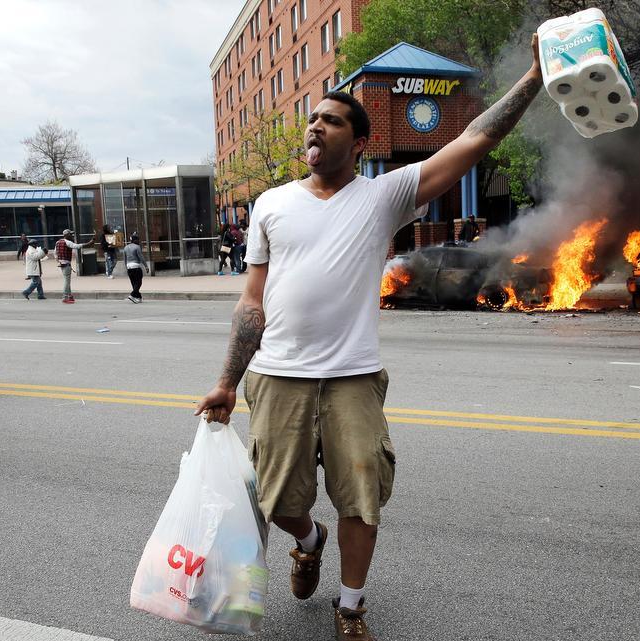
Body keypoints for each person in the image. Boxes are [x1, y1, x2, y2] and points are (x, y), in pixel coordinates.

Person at [194, 35, 543, 640]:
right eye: (312, 119)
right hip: (277, 374)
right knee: (278, 501)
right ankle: (309, 541)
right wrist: (227, 381)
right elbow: (252, 302)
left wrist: (534, 77)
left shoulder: (382, 197)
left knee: (362, 494)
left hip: (352, 375)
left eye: (330, 121)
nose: (315, 128)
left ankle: (350, 607)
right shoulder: (270, 205)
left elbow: (474, 141)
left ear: (358, 143)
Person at [54, 229, 93, 304]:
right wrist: (89, 243)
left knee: (67, 280)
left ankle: (69, 295)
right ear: (66, 235)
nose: (72, 236)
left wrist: (59, 261)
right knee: (67, 281)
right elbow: (77, 246)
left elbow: (55, 253)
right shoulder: (68, 242)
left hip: (62, 264)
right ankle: (65, 297)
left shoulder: (58, 242)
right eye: (70, 234)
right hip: (66, 264)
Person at [123, 232, 150, 303]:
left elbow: (125, 259)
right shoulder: (137, 247)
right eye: (138, 240)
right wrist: (146, 266)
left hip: (129, 267)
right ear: (135, 240)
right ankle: (132, 295)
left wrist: (126, 268)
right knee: (139, 282)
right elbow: (141, 257)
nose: (139, 241)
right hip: (136, 266)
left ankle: (138, 297)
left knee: (134, 283)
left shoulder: (125, 247)